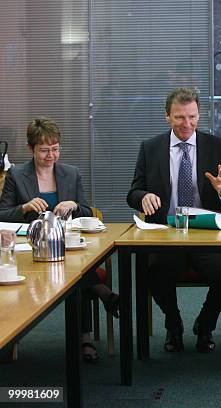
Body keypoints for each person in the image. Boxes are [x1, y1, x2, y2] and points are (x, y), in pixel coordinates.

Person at [126, 88, 221, 353]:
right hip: (167, 232)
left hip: (207, 234)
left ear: (199, 115)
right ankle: (173, 323)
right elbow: (132, 193)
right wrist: (143, 196)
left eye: (192, 117)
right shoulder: (151, 148)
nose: (186, 124)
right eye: (179, 117)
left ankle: (205, 324)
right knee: (153, 271)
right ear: (167, 116)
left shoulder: (217, 146)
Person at [0, 117, 120, 364]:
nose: (50, 155)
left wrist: (74, 205)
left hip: (67, 246)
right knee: (81, 275)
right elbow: (2, 215)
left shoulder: (70, 173)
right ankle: (103, 296)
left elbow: (87, 211)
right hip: (32, 249)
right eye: (44, 150)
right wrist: (24, 207)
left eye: (55, 149)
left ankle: (85, 338)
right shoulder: (16, 174)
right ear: (31, 148)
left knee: (77, 271)